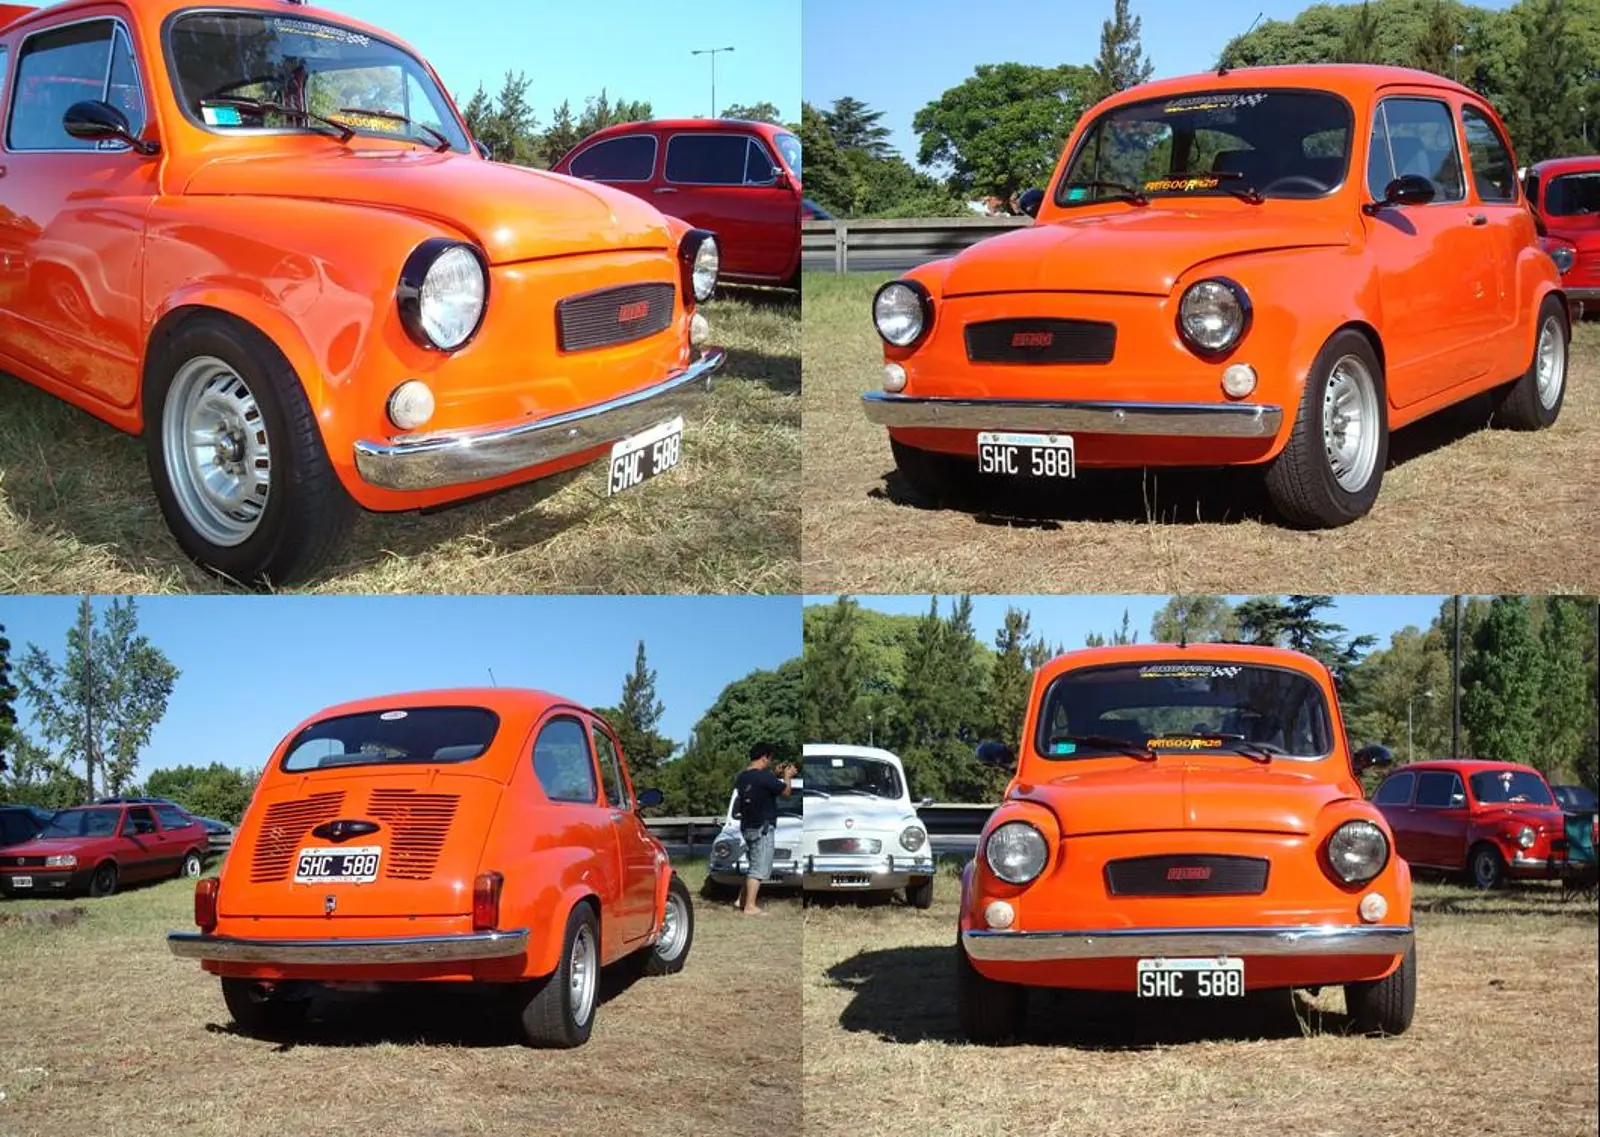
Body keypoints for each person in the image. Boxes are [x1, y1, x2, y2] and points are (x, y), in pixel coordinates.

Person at [731, 741, 795, 915]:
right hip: (763, 828)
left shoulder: (742, 777)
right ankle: (750, 907)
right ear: (765, 757)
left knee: (753, 865)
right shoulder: (765, 778)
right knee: (758, 869)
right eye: (769, 759)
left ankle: (741, 900)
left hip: (747, 827)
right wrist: (787, 776)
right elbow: (786, 793)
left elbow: (760, 785)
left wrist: (774, 774)